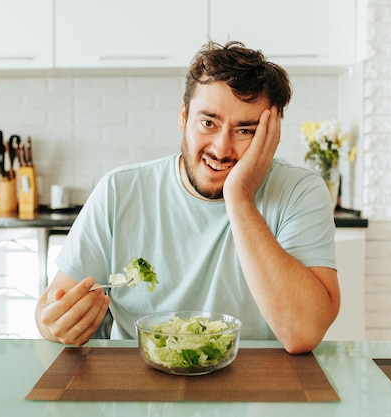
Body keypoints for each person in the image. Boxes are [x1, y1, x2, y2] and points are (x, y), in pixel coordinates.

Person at [35, 40, 340, 354]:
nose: (221, 149)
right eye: (208, 123)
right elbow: (48, 309)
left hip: (259, 387)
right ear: (183, 117)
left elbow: (303, 333)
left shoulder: (300, 192)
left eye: (245, 130)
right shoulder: (119, 190)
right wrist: (54, 324)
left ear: (270, 135)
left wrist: (240, 197)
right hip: (141, 385)